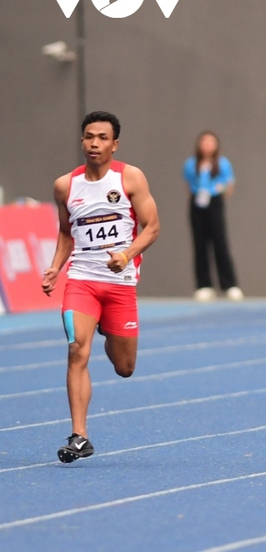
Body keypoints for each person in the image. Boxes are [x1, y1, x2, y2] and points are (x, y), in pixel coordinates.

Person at [41, 111, 160, 463]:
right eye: (89, 137)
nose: (94, 143)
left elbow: (152, 227)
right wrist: (55, 267)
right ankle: (80, 436)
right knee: (77, 349)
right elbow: (66, 231)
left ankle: (108, 329)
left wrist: (127, 254)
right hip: (82, 281)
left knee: (125, 367)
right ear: (82, 141)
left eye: (102, 138)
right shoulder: (65, 185)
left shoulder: (131, 178)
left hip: (120, 283)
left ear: (114, 143)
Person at [183, 130, 242, 301]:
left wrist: (217, 192)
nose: (207, 145)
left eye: (211, 142)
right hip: (197, 203)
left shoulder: (222, 163)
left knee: (220, 243)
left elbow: (229, 185)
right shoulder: (191, 164)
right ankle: (204, 285)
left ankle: (229, 284)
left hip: (215, 202)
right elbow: (188, 184)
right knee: (199, 244)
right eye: (204, 141)